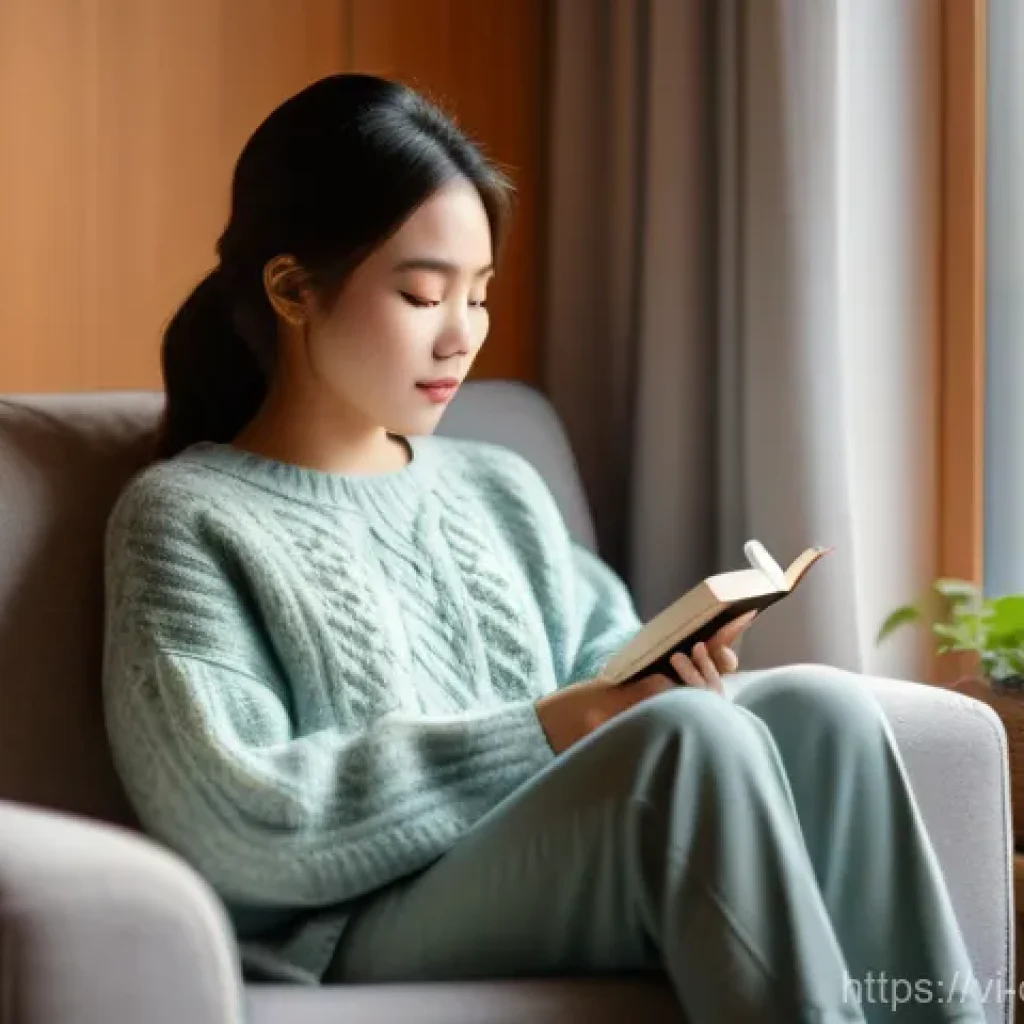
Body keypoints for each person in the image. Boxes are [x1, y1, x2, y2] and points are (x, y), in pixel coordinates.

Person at [102, 74, 985, 1023]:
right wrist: (552, 727)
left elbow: (605, 684)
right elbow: (236, 818)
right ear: (289, 287)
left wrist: (660, 674)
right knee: (688, 746)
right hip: (352, 919)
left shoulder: (500, 486)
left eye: (477, 297)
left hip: (536, 859)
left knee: (826, 710)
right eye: (420, 293)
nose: (461, 337)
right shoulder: (186, 516)